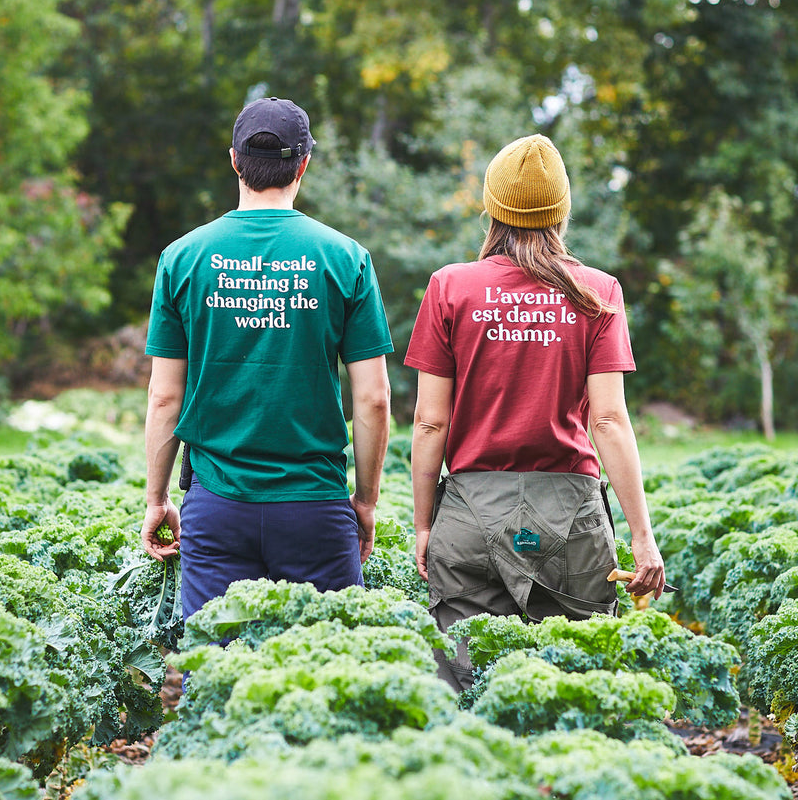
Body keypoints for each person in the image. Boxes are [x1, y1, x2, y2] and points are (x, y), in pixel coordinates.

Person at [404, 133, 665, 691]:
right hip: (571, 519)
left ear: (493, 209)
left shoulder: (450, 288)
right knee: (579, 687)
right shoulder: (598, 292)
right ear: (561, 213)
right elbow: (609, 422)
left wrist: (426, 523)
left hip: (469, 514)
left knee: (465, 686)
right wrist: (642, 537)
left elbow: (429, 422)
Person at [141, 97, 393, 622]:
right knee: (327, 681)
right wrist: (364, 501)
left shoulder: (182, 257)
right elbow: (372, 398)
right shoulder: (346, 257)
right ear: (303, 164)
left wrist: (156, 498)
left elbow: (165, 394)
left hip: (217, 505)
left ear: (234, 160)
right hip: (316, 507)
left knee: (213, 680)